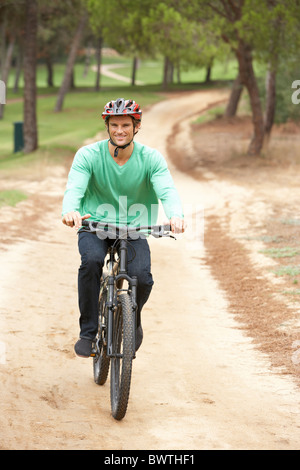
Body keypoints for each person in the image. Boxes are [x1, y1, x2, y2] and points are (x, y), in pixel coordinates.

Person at [62, 98, 184, 358]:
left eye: (126, 125)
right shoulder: (88, 155)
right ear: (107, 126)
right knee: (91, 262)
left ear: (136, 126)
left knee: (143, 278)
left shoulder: (150, 158)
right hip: (94, 224)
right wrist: (70, 211)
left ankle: (132, 320)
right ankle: (89, 332)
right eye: (114, 125)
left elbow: (167, 189)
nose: (120, 130)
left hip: (133, 228)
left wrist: (176, 216)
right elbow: (75, 188)